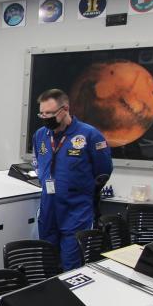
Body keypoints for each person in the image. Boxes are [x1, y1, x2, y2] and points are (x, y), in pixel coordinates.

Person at [33, 88, 113, 271]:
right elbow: (38, 162)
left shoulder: (89, 135)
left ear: (65, 109)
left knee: (71, 264)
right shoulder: (40, 135)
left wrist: (83, 191)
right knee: (47, 262)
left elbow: (103, 171)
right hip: (48, 207)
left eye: (50, 113)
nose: (45, 117)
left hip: (76, 210)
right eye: (42, 113)